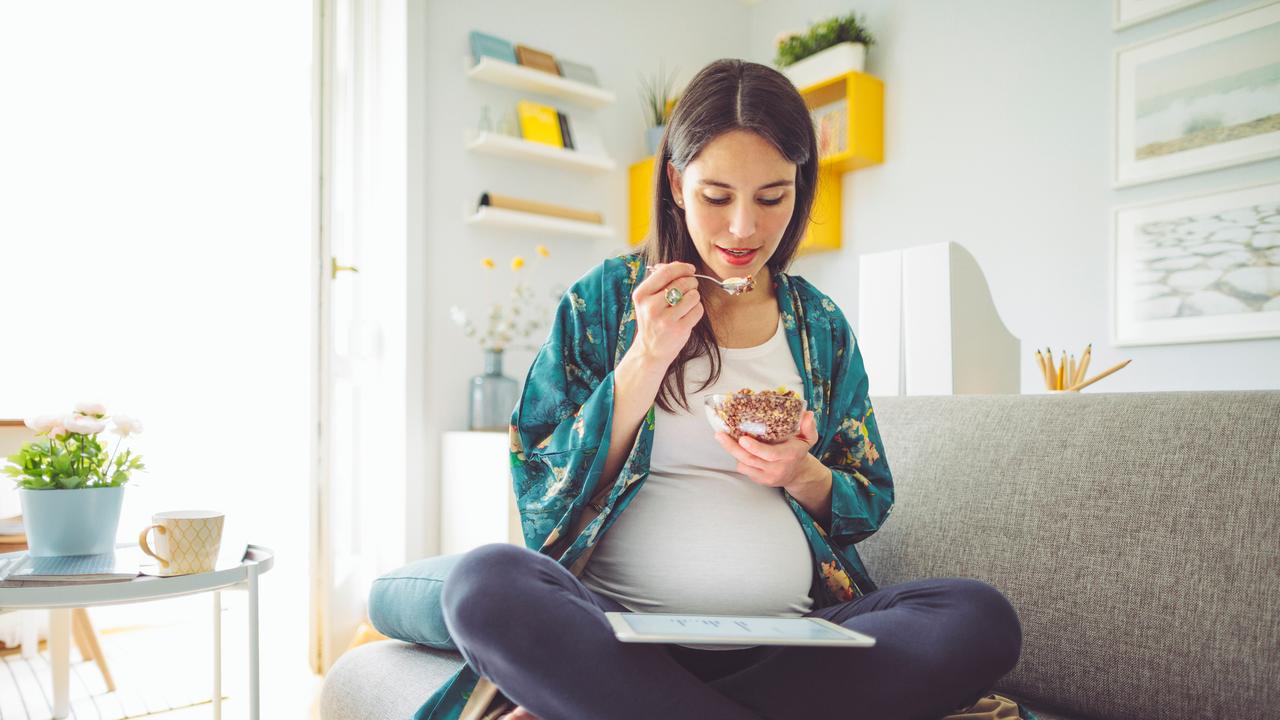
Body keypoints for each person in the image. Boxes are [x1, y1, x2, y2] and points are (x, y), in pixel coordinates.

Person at [427, 58, 1023, 720]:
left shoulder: (818, 325)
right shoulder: (604, 301)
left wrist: (802, 473)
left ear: (801, 187)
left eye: (772, 197)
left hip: (793, 647)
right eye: (717, 197)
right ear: (678, 185)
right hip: (617, 642)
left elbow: (868, 499)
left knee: (978, 616)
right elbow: (539, 495)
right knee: (484, 586)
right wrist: (646, 359)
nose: (744, 229)